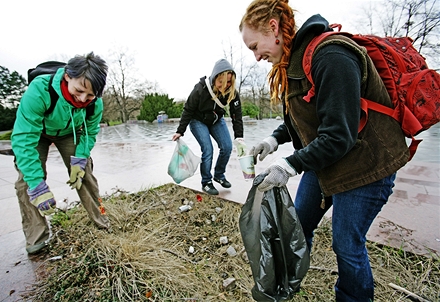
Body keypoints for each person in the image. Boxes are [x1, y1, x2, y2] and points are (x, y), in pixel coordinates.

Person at [239, 1, 409, 301]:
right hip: (328, 163)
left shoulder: (331, 56)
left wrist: (289, 165)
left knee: (346, 244)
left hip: (366, 165)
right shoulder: (294, 63)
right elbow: (309, 117)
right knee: (297, 226)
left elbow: (338, 135)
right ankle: (285, 287)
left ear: (274, 28)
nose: (255, 56)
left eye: (255, 46)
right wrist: (274, 140)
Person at [11, 52, 110, 255]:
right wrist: (37, 185)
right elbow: (23, 138)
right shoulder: (39, 90)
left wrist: (80, 158)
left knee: (85, 174)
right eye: (79, 91)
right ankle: (36, 237)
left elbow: (90, 132)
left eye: (90, 96)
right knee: (26, 182)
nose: (82, 100)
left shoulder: (95, 103)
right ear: (67, 76)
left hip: (69, 132)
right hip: (38, 132)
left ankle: (101, 219)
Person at [172, 59, 245, 195]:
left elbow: (237, 115)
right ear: (214, 78)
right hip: (198, 120)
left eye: (229, 82)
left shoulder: (232, 92)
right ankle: (206, 181)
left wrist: (239, 136)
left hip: (216, 120)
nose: (225, 85)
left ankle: (219, 175)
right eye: (221, 82)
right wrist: (180, 131)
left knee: (227, 146)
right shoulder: (200, 89)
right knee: (208, 149)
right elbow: (188, 110)